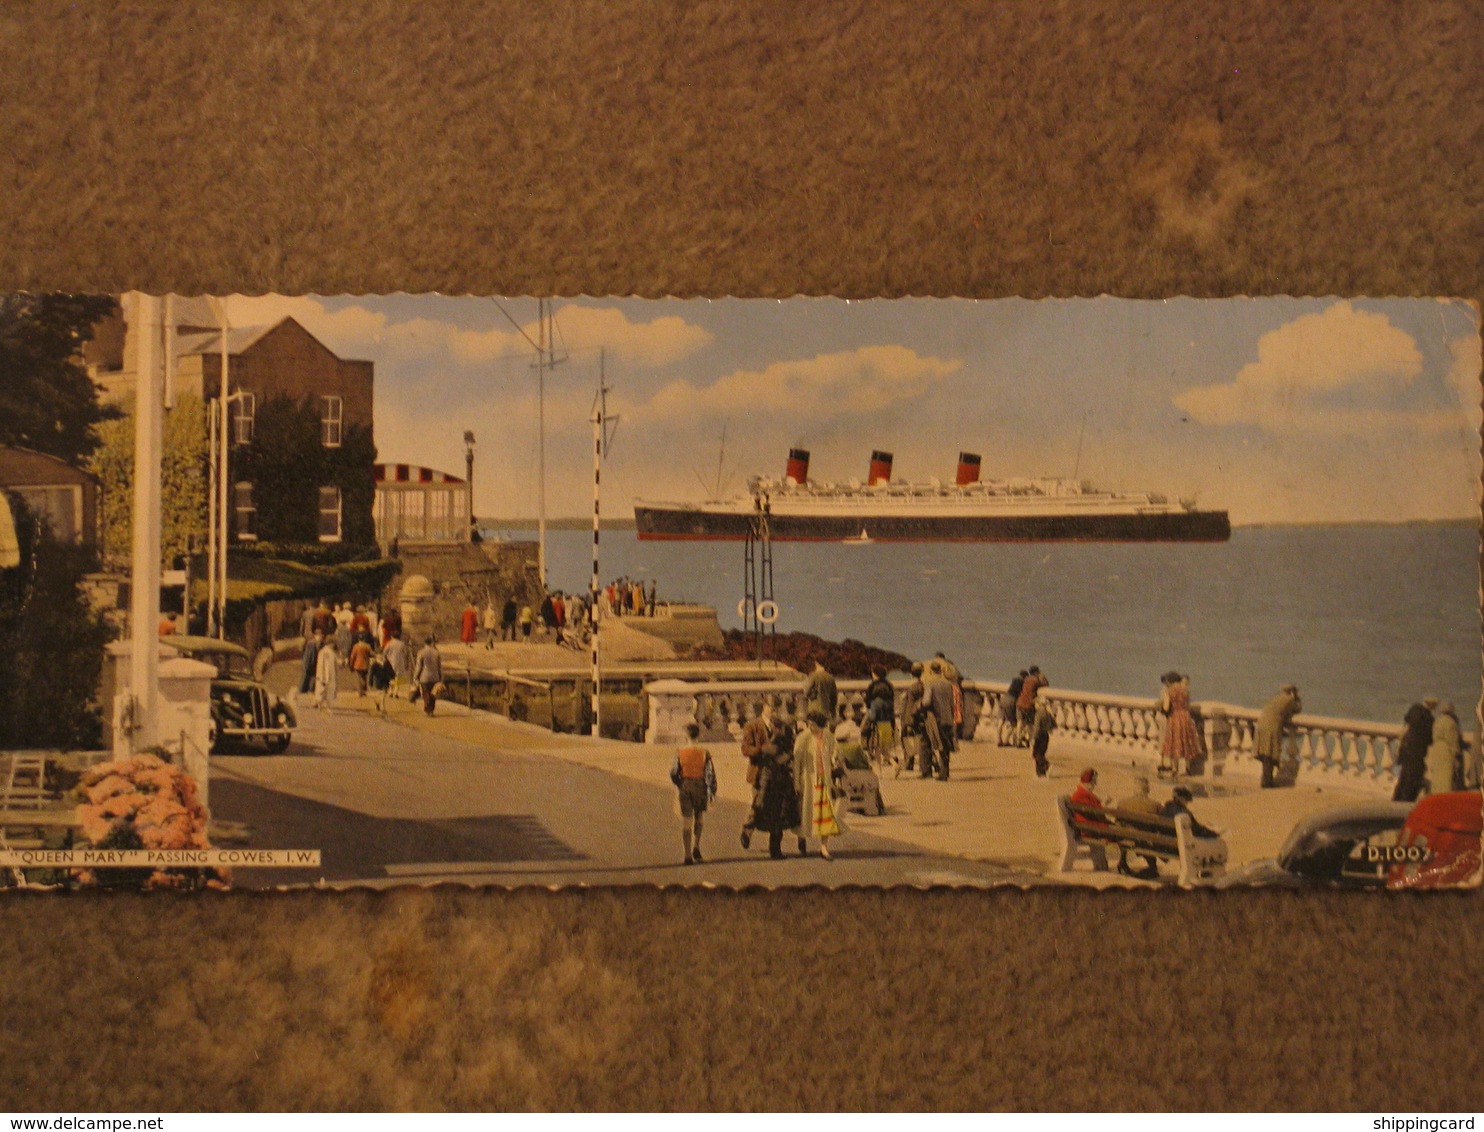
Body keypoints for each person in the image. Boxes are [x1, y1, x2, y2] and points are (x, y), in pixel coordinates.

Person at [792, 710, 844, 860]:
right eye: (809, 724)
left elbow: (836, 753)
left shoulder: (828, 736)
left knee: (825, 814)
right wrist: (796, 782)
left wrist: (836, 760)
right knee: (806, 812)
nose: (811, 727)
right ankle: (802, 837)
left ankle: (824, 847)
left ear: (821, 726)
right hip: (808, 780)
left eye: (814, 725)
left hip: (824, 780)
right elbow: (797, 762)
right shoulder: (803, 737)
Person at [669, 723, 717, 865]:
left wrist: (679, 783)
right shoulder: (704, 752)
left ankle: (687, 854)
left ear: (685, 736)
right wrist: (712, 791)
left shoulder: (680, 752)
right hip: (700, 785)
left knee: (686, 820)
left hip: (685, 785)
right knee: (699, 816)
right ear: (699, 736)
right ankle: (697, 846)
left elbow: (673, 772)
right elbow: (710, 773)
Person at [1254, 684, 1303, 788]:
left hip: (1261, 725)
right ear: (1292, 692)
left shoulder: (1277, 697)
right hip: (1272, 727)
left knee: (1265, 754)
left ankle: (1266, 780)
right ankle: (1267, 782)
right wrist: (1297, 698)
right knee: (1270, 754)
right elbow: (1298, 709)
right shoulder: (1289, 699)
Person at [1114, 775, 1162, 878]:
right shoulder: (1155, 805)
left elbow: (1118, 821)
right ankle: (1152, 867)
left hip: (1126, 837)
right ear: (1148, 789)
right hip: (1144, 840)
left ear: (1134, 789)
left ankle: (1122, 861)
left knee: (1126, 829)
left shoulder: (1122, 803)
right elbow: (1160, 826)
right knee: (1150, 834)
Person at [1158, 671, 1202, 778]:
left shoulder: (1169, 691)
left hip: (1175, 717)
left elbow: (1166, 707)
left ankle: (1175, 768)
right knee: (1185, 742)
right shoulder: (1186, 690)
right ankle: (1186, 768)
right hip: (1186, 717)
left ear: (1170, 681)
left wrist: (1162, 707)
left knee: (1174, 743)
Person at [1392, 700, 1435, 803]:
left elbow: (1404, 730)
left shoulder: (1413, 711)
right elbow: (1430, 739)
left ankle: (1397, 801)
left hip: (1406, 751)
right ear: (1433, 707)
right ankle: (1406, 802)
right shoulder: (1429, 718)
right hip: (1417, 754)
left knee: (1403, 778)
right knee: (1412, 780)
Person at [922, 659, 956, 780]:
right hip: (947, 717)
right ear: (940, 670)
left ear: (931, 671)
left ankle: (935, 772)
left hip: (936, 717)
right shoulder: (948, 684)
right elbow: (952, 703)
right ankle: (945, 771)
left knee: (932, 743)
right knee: (946, 745)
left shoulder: (929, 683)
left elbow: (926, 701)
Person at [1425, 700, 1461, 796]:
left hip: (1437, 749)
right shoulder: (1451, 723)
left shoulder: (1437, 721)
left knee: (1437, 777)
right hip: (1446, 751)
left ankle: (1436, 795)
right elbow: (1453, 741)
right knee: (1446, 777)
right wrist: (1456, 754)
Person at [863, 666, 895, 761]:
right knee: (885, 750)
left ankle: (879, 772)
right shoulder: (889, 690)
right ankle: (894, 764)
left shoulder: (875, 702)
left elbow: (872, 717)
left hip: (878, 727)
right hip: (888, 725)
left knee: (877, 750)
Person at [899, 663, 926, 774]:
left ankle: (909, 763)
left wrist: (907, 720)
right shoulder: (923, 686)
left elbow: (909, 705)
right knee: (921, 739)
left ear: (911, 674)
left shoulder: (912, 688)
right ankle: (926, 763)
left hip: (910, 716)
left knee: (908, 740)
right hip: (920, 716)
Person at [413, 635, 443, 716]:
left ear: (424, 643)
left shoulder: (421, 652)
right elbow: (439, 666)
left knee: (426, 694)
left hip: (424, 677)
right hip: (435, 676)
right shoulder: (436, 653)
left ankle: (427, 710)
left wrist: (415, 676)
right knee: (433, 694)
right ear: (432, 643)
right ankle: (431, 710)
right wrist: (440, 677)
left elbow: (418, 666)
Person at [381, 632, 411, 711]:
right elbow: (406, 654)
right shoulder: (402, 644)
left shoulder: (389, 644)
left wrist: (384, 661)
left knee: (391, 677)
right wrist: (406, 663)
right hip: (400, 663)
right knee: (399, 678)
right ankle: (396, 692)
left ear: (391, 636)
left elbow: (384, 653)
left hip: (390, 663)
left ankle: (391, 691)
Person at [1016, 666, 1045, 746]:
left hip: (1020, 702)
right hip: (1028, 704)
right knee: (1030, 724)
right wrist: (1042, 675)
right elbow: (1045, 684)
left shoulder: (1026, 680)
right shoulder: (1035, 680)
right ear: (1036, 672)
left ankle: (1018, 740)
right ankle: (1030, 741)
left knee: (1019, 722)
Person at [803, 660, 838, 726]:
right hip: (826, 709)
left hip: (814, 708)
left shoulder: (813, 676)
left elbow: (806, 692)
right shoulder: (830, 677)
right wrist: (833, 711)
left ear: (816, 664)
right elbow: (834, 697)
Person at [1000, 669, 1028, 746]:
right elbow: (1020, 694)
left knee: (1001, 721)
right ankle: (1015, 741)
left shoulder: (1014, 681)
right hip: (1012, 701)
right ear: (1025, 677)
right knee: (1014, 723)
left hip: (1003, 698)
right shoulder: (1022, 682)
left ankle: (999, 740)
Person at [1029, 696, 1056, 777]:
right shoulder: (1048, 714)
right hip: (1046, 736)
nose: (1035, 706)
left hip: (1039, 736)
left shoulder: (1038, 714)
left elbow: (1037, 727)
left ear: (1039, 704)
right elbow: (1053, 725)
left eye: (1036, 704)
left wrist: (1033, 738)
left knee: (1036, 754)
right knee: (1041, 753)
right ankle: (1041, 773)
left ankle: (1047, 765)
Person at [313, 636, 339, 710]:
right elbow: (321, 665)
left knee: (329, 691)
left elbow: (335, 663)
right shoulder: (324, 652)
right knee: (322, 691)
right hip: (324, 676)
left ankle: (325, 706)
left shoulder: (331, 652)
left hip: (331, 675)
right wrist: (321, 676)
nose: (334, 645)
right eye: (333, 643)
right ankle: (321, 705)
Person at [299, 630, 322, 697]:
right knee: (307, 678)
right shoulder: (312, 644)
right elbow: (310, 656)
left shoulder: (313, 643)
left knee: (309, 678)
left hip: (310, 664)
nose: (320, 637)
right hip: (310, 664)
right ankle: (305, 691)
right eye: (319, 635)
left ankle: (306, 690)